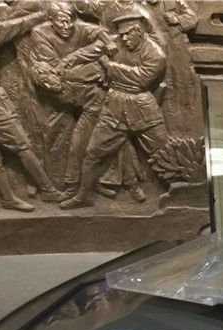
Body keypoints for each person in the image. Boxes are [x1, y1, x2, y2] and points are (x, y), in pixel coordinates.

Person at [60, 12, 168, 210]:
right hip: (115, 106)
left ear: (139, 31)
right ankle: (83, 196)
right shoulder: (115, 42)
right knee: (93, 153)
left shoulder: (156, 54)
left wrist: (109, 66)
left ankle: (178, 190)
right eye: (121, 35)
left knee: (163, 151)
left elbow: (141, 78)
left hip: (143, 107)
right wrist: (66, 62)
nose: (124, 38)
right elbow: (89, 52)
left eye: (127, 34)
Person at [27, 2, 115, 201]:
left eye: (69, 21)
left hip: (87, 95)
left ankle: (88, 184)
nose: (66, 26)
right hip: (55, 95)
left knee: (89, 140)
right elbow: (54, 71)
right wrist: (93, 68)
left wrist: (101, 43)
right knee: (57, 139)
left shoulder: (79, 27)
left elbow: (100, 33)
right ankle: (56, 186)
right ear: (51, 21)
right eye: (61, 22)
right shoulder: (40, 33)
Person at [0, 8, 60, 212]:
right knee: (21, 146)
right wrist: (45, 13)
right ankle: (48, 190)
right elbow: (17, 25)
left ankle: (9, 198)